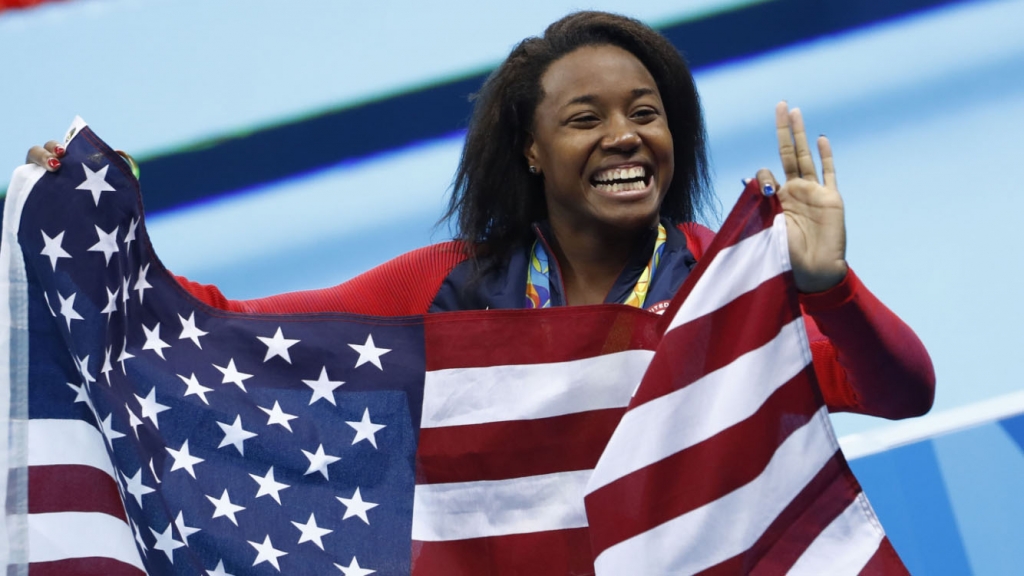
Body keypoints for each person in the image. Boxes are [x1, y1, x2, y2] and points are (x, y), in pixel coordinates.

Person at [26, 11, 934, 419]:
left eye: (646, 113)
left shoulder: (741, 278)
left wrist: (830, 289)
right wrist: (98, 237)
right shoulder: (444, 288)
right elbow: (237, 333)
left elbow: (900, 394)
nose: (625, 137)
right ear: (531, 151)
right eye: (586, 119)